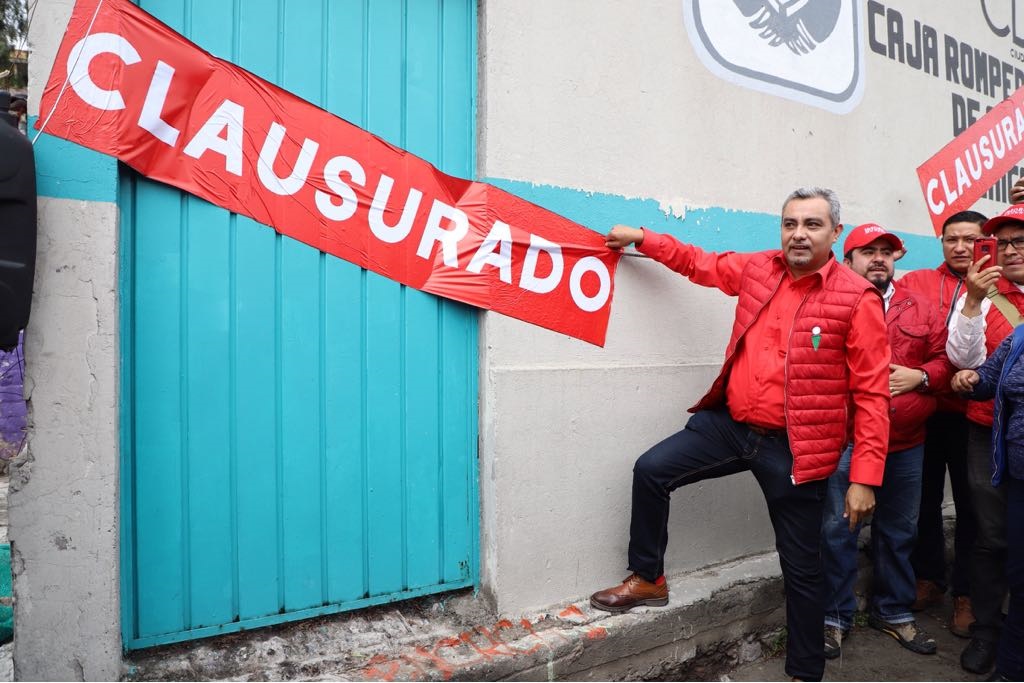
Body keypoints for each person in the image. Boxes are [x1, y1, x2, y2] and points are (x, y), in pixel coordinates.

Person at [590, 187, 890, 683]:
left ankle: (804, 671)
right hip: (731, 427)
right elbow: (698, 262)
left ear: (836, 233)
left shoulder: (856, 299)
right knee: (651, 470)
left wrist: (864, 477)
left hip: (795, 449)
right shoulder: (759, 269)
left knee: (801, 568)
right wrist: (643, 237)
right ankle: (649, 577)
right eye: (790, 223)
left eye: (812, 225)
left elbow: (873, 393)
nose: (798, 234)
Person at [822, 223, 951, 659]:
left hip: (906, 443)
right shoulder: (830, 300)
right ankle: (834, 618)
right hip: (847, 441)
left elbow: (944, 361)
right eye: (867, 250)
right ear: (847, 257)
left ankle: (893, 611)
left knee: (899, 532)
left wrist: (924, 376)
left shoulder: (920, 307)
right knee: (839, 531)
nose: (879, 258)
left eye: (886, 251)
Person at [945, 204, 1024, 674]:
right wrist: (974, 300)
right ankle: (988, 629)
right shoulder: (982, 294)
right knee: (993, 536)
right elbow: (962, 357)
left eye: (1020, 242)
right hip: (988, 432)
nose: (1011, 251)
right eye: (1003, 243)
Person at [898, 211, 985, 637]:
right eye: (952, 239)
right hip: (926, 412)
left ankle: (965, 594)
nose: (960, 247)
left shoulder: (999, 287)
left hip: (974, 417)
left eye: (970, 239)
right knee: (922, 500)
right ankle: (929, 577)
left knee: (972, 508)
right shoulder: (914, 283)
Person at [951, 326, 1024, 682]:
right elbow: (988, 378)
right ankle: (1007, 663)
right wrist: (970, 378)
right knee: (1013, 565)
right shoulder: (1021, 336)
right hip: (1015, 474)